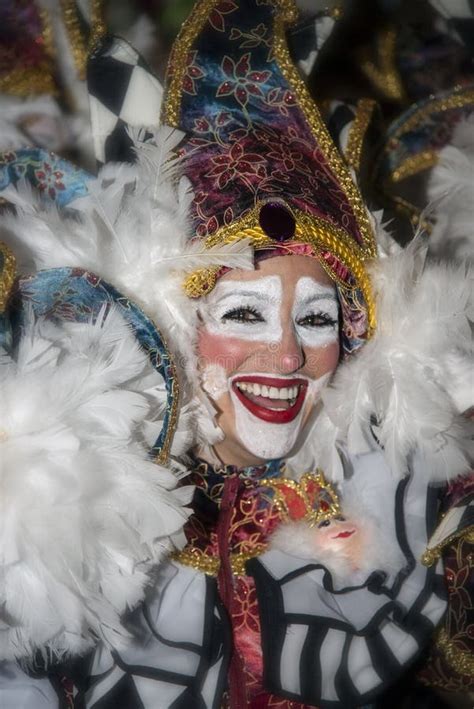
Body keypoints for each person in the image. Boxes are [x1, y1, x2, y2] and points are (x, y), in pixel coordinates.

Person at [0, 0, 472, 707]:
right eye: (245, 313)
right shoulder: (75, 507)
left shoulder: (395, 493)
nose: (286, 356)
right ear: (175, 324)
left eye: (315, 319)